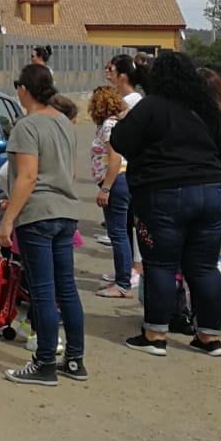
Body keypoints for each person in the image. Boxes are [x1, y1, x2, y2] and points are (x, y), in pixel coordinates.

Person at [110, 52, 221, 359]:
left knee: (161, 265)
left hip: (163, 194)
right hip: (211, 193)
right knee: (205, 267)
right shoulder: (207, 109)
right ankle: (209, 337)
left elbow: (120, 141)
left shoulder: (151, 106)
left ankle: (155, 334)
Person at [0, 64, 85, 385]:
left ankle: (45, 362)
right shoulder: (63, 122)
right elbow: (70, 172)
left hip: (37, 215)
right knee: (67, 288)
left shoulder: (27, 125)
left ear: (23, 90)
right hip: (65, 211)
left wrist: (8, 221)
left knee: (44, 292)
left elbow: (28, 176)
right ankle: (74, 359)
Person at [88, 86, 134, 299]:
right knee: (121, 232)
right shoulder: (117, 123)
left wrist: (106, 187)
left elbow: (114, 158)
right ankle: (124, 277)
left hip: (116, 182)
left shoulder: (108, 126)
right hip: (121, 181)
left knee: (118, 234)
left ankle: (122, 283)